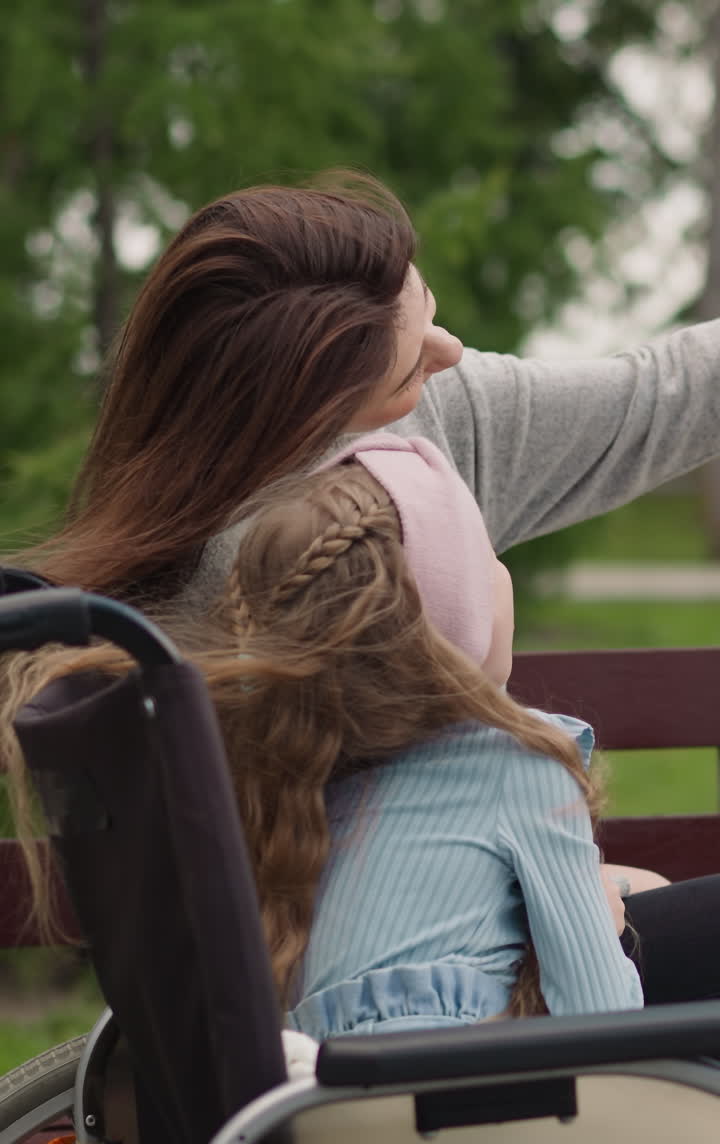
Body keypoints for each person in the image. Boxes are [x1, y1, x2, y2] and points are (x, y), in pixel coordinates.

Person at [3, 434, 643, 1036]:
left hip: (325, 1094)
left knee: (644, 887)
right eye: (484, 560)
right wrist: (597, 925)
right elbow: (603, 1021)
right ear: (456, 622)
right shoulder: (518, 765)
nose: (501, 572)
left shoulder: (287, 769)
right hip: (465, 1092)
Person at [5, 170, 720, 615]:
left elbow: (666, 393)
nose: (452, 354)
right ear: (307, 417)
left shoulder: (445, 408)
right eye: (409, 367)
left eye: (428, 312)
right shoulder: (275, 582)